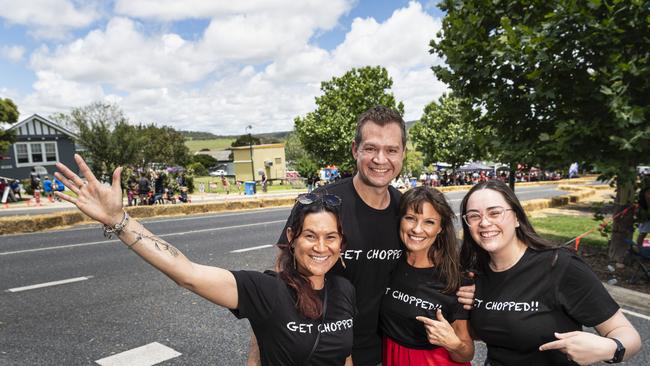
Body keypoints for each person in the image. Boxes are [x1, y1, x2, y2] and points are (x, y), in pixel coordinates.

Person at [54, 155, 355, 365]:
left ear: (341, 242)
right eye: (310, 236)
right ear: (292, 238)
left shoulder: (344, 291)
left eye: (331, 237)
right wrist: (120, 221)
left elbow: (343, 357)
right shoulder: (266, 290)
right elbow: (187, 273)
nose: (321, 247)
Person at [248, 106, 475, 365]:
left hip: (379, 353)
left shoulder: (405, 213)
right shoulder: (321, 204)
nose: (380, 159)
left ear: (403, 154)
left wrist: (475, 288)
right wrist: (256, 359)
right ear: (355, 150)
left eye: (391, 150)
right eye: (371, 148)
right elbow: (276, 286)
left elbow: (440, 257)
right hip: (315, 351)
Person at [459, 180, 641, 365]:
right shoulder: (475, 273)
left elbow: (628, 335)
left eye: (495, 212)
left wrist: (608, 348)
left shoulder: (559, 265)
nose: (484, 222)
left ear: (517, 218)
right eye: (474, 216)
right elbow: (491, 332)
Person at [380, 186, 474, 365]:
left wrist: (454, 344)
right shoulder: (390, 262)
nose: (417, 229)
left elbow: (467, 353)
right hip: (392, 356)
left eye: (429, 222)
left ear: (440, 228)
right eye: (410, 218)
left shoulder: (457, 277)